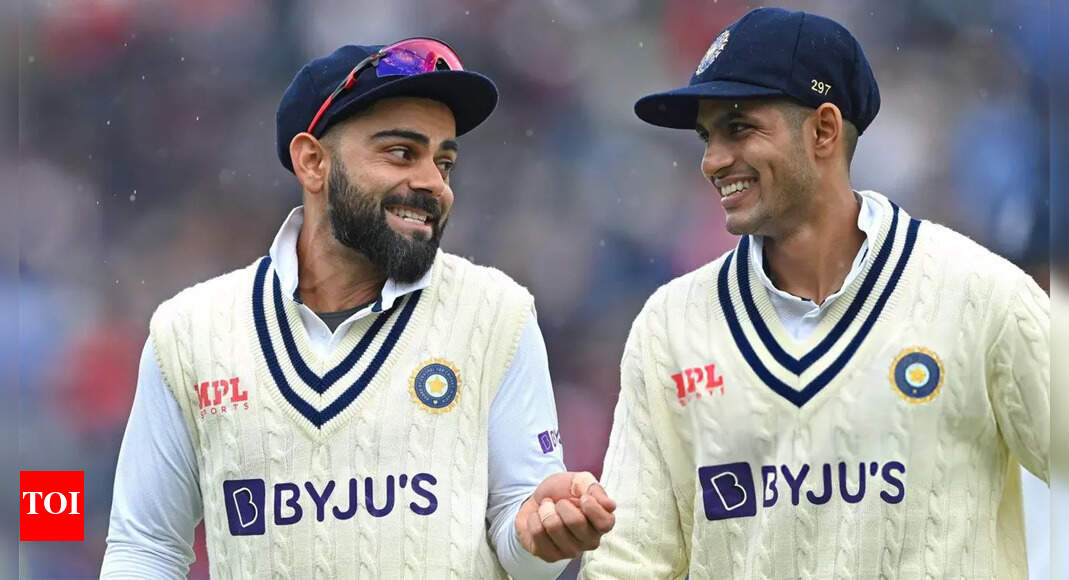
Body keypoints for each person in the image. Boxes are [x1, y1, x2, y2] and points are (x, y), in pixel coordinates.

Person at [101, 38, 615, 579]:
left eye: (444, 162)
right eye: (401, 153)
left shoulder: (497, 314)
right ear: (312, 162)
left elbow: (522, 542)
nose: (433, 184)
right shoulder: (190, 333)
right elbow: (145, 549)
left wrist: (540, 537)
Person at [581, 8, 1048, 579]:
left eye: (738, 128)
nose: (711, 161)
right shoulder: (670, 326)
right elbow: (629, 560)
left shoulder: (980, 295)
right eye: (707, 136)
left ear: (823, 130)